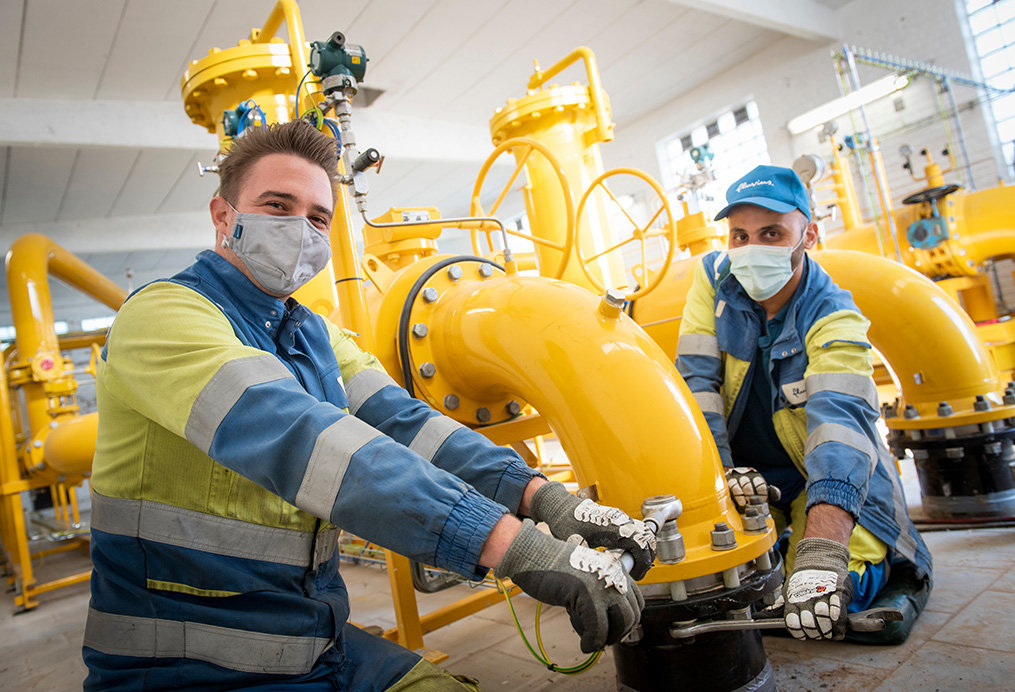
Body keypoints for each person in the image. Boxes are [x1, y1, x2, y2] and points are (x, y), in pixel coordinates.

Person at [82, 119, 656, 690]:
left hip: (313, 640)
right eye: (277, 206)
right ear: (223, 216)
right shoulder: (161, 317)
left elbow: (408, 426)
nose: (300, 229)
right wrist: (515, 546)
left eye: (317, 216)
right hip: (184, 668)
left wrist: (546, 499)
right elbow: (303, 439)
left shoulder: (313, 334)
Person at [675, 164, 932, 644]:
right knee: (730, 584)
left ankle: (815, 546)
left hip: (826, 473)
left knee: (824, 593)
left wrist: (821, 550)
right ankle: (783, 541)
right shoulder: (713, 280)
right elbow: (697, 386)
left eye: (771, 233)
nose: (751, 249)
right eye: (739, 235)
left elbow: (840, 424)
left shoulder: (835, 315)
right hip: (748, 479)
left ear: (808, 234)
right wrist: (720, 477)